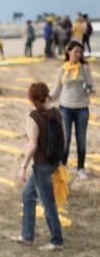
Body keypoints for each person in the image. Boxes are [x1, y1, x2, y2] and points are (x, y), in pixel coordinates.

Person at [11, 82, 64, 251]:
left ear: (31, 99)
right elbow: (63, 136)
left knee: (48, 203)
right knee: (27, 195)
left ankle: (57, 241)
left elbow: (32, 145)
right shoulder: (56, 112)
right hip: (53, 162)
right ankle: (27, 236)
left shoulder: (34, 116)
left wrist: (23, 166)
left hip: (42, 165)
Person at [50, 40, 95, 179]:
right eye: (76, 51)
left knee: (81, 140)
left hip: (82, 109)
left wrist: (88, 88)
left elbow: (91, 87)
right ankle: (62, 168)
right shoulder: (62, 69)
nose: (78, 54)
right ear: (68, 51)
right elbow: (57, 90)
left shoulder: (85, 68)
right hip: (65, 109)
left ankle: (80, 168)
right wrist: (47, 98)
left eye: (80, 52)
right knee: (65, 140)